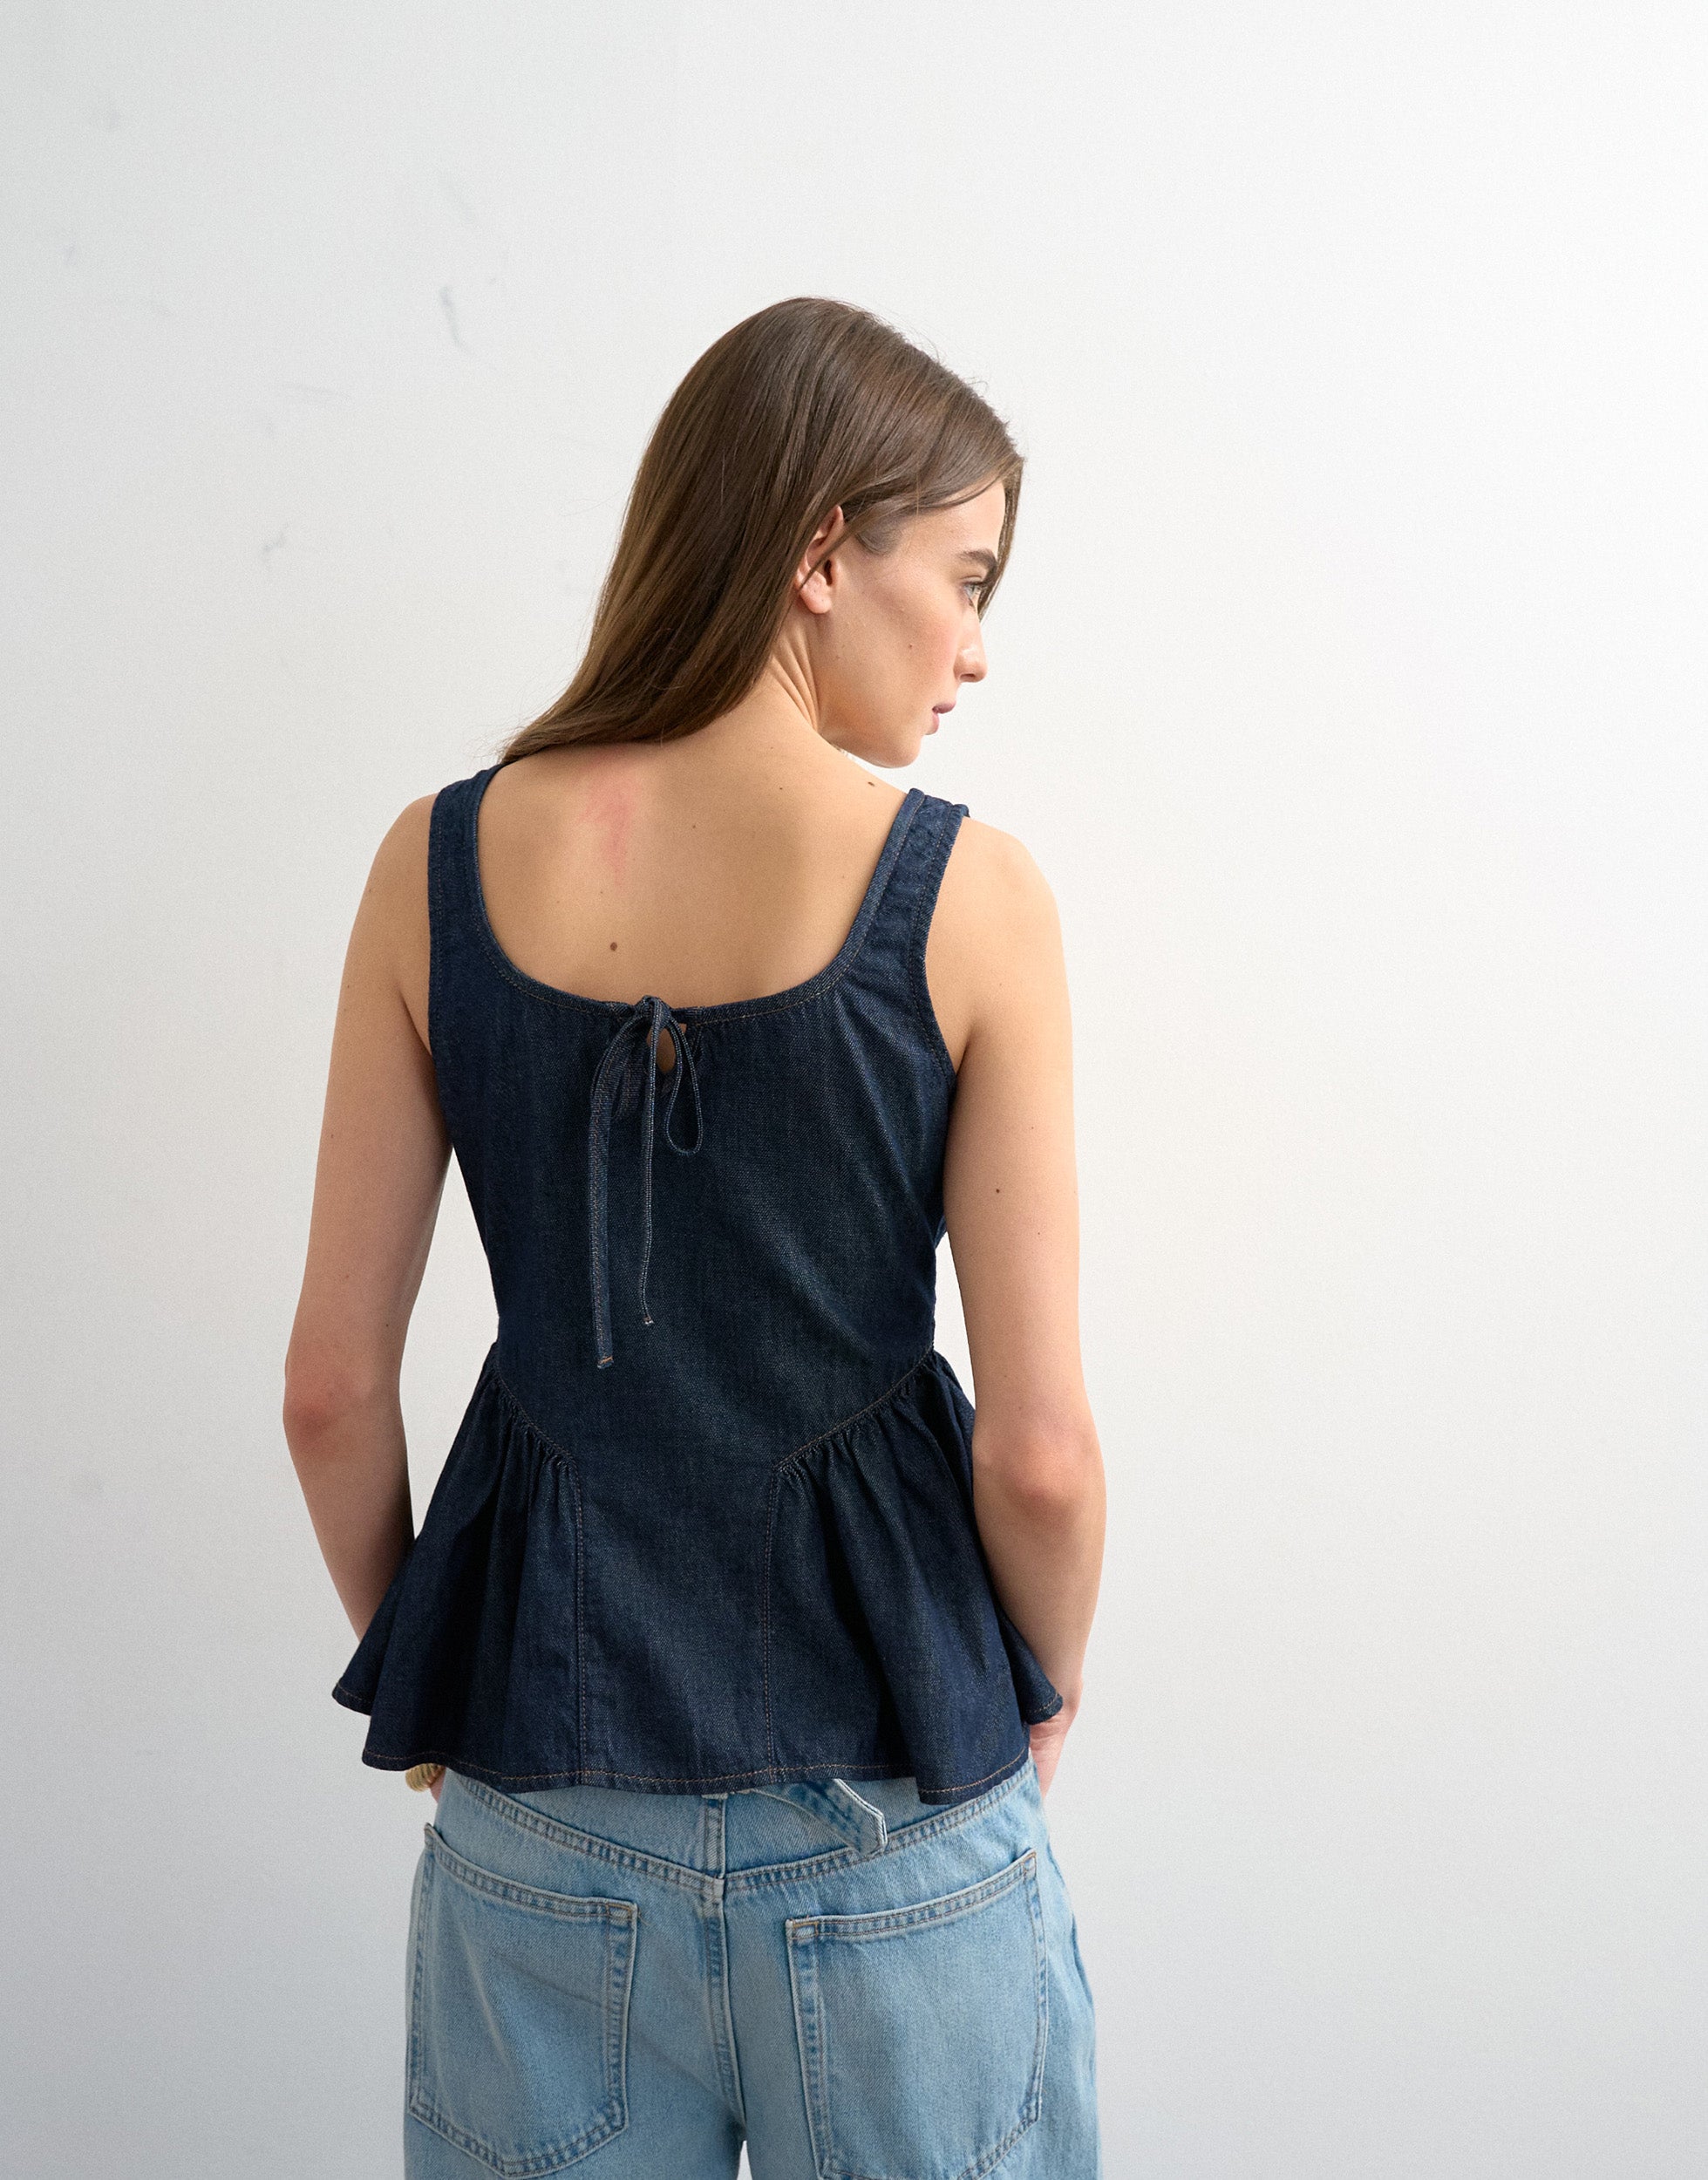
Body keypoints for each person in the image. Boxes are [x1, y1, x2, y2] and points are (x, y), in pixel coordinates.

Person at [283, 296, 1106, 2178]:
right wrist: (1038, 1698)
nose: (976, 649)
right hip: (893, 1791)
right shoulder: (969, 893)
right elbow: (1042, 1455)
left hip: (539, 1800)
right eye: (964, 579)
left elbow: (329, 1389)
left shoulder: (430, 866)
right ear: (822, 551)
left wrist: (434, 1690)